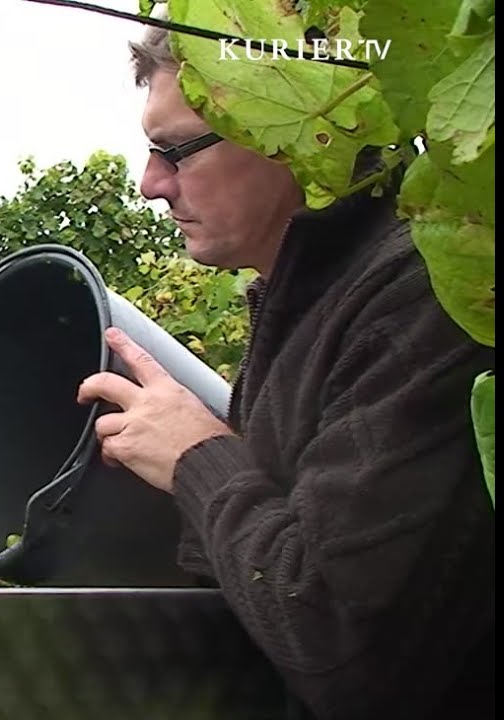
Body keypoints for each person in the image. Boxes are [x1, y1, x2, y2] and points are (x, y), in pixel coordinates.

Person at [75, 22, 495, 720]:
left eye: (175, 150)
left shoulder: (419, 298)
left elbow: (346, 647)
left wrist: (199, 458)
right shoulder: (313, 303)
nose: (151, 184)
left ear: (293, 130)